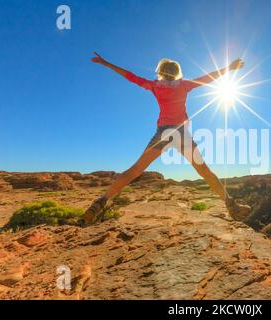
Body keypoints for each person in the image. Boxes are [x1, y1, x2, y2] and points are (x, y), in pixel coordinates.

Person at [80, 53, 251, 225]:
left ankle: (101, 202)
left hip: (163, 133)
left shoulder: (155, 86)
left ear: (160, 72)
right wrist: (230, 67)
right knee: (204, 172)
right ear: (177, 72)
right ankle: (231, 204)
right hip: (182, 133)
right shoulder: (184, 85)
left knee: (135, 170)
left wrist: (106, 63)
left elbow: (130, 76)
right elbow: (208, 78)